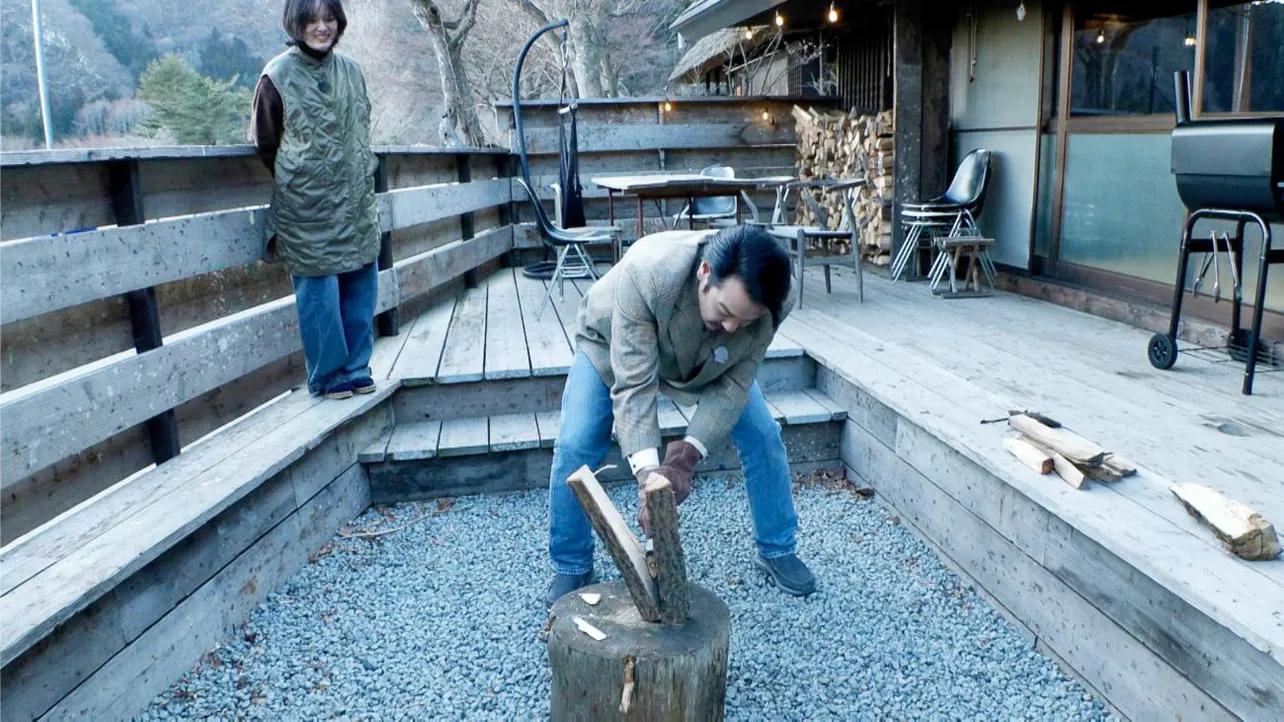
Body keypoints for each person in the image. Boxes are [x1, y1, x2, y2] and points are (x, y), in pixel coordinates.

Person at [545, 226, 816, 607]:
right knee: (577, 441)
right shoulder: (648, 272)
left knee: (764, 437)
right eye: (725, 311)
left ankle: (777, 548)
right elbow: (635, 385)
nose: (734, 327)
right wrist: (649, 477)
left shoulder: (774, 302)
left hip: (707, 358)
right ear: (705, 272)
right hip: (612, 341)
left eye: (745, 320)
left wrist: (687, 456)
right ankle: (571, 562)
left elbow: (736, 384)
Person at [250, 0, 381, 400]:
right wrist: (304, 176)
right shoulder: (277, 74)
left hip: (355, 201)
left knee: (361, 285)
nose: (322, 28)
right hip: (306, 207)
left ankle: (357, 367)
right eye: (312, 20)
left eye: (329, 19)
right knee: (319, 295)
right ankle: (327, 375)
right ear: (296, 23)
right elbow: (265, 142)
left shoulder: (352, 71)